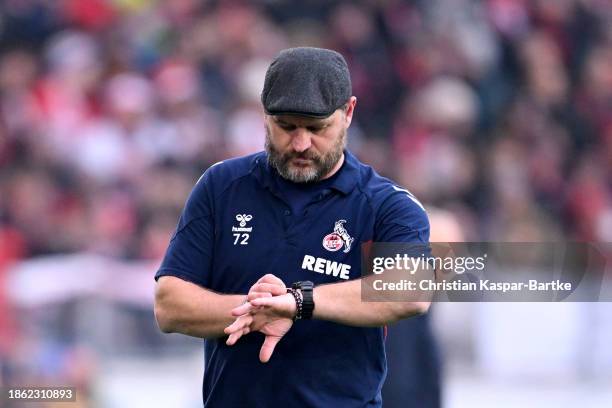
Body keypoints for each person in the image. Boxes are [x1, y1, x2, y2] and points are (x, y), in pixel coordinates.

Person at [154, 47, 432, 407]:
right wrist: (261, 310)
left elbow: (410, 291)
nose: (300, 143)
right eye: (286, 126)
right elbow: (169, 305)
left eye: (316, 128)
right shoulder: (221, 186)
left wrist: (298, 302)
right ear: (264, 115)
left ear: (348, 112)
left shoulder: (386, 204)